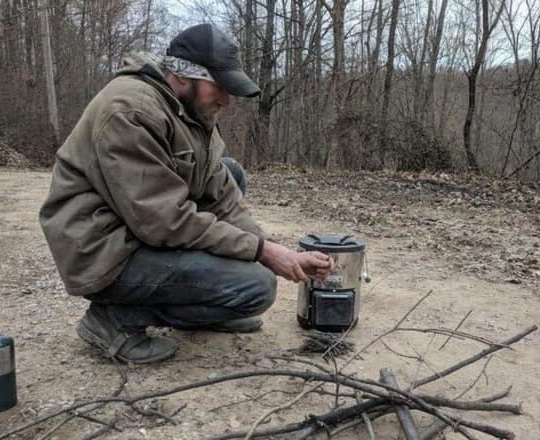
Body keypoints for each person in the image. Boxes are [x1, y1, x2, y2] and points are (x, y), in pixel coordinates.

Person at [39, 23, 333, 364]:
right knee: (256, 286)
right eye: (219, 87)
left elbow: (221, 195)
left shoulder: (190, 110)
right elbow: (164, 221)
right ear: (182, 76)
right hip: (102, 251)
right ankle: (114, 320)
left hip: (137, 231)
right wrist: (261, 253)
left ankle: (213, 306)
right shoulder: (131, 110)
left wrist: (273, 250)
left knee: (231, 172)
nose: (225, 99)